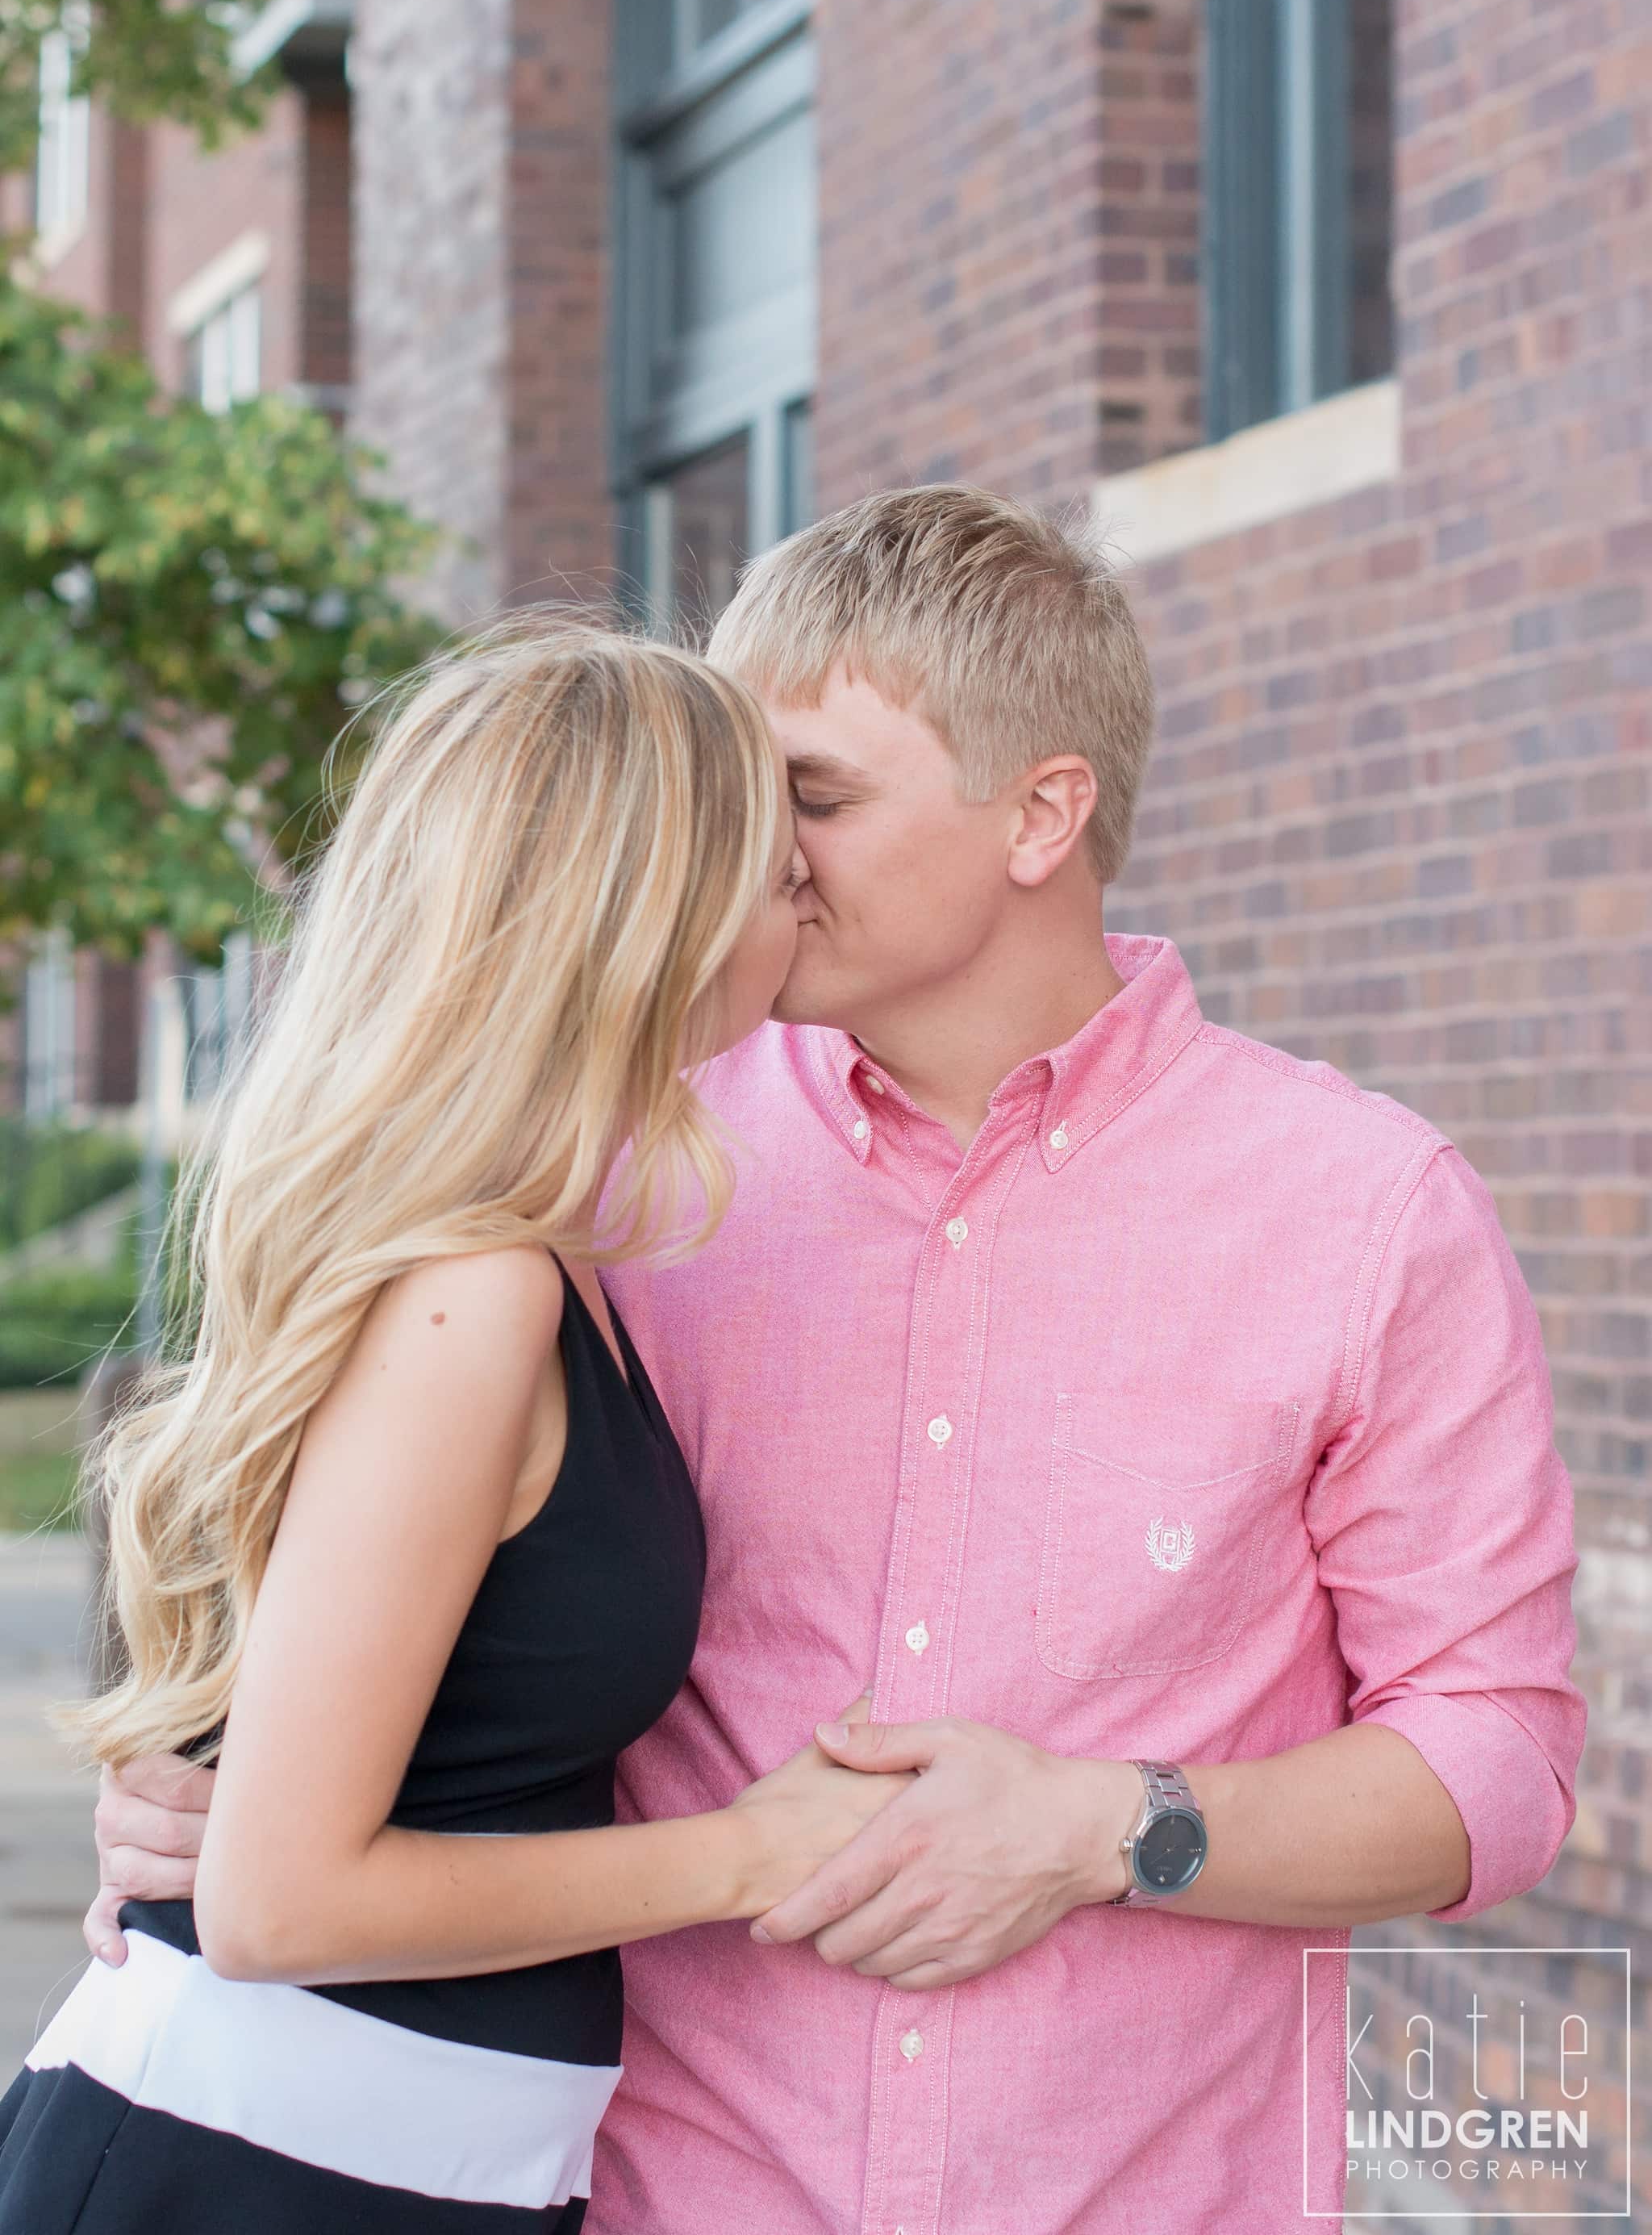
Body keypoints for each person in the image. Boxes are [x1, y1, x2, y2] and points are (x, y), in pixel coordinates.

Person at [87, 487, 1584, 2233]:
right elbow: (326, 1528)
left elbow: (1495, 1765)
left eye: (812, 798)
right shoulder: (609, 1180)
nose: (761, 862)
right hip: (644, 2196)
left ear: (1043, 813)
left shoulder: (1366, 1212)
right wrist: (211, 1778)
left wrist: (1112, 1829)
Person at [2, 619, 912, 2234]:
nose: (807, 899)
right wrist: (750, 1854)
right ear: (655, 913)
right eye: (774, 866)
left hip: (416, 2172)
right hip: (255, 2170)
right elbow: (284, 1901)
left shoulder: (560, 1246)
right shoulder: (475, 1289)